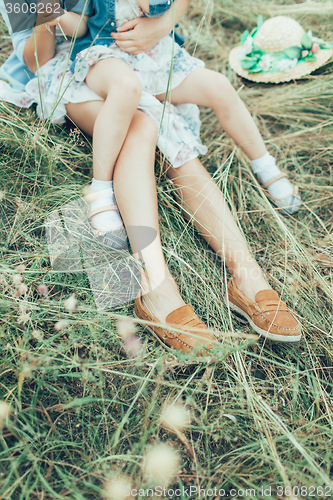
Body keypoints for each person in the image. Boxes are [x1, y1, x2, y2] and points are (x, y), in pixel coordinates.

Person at [0, 0, 302, 350]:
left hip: (139, 57)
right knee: (142, 123)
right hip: (70, 68)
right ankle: (155, 285)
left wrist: (161, 25)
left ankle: (247, 275)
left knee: (170, 135)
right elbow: (36, 59)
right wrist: (44, 14)